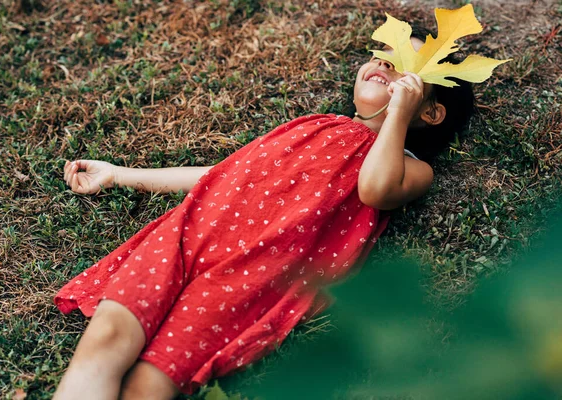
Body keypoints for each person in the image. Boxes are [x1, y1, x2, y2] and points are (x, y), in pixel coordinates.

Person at [53, 25, 475, 399]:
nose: (385, 61)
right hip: (192, 230)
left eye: (406, 67)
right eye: (384, 53)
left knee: (148, 384)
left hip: (255, 273)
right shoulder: (313, 124)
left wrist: (398, 112)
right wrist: (120, 175)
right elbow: (222, 174)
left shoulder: (411, 169)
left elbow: (375, 189)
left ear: (430, 111)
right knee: (107, 336)